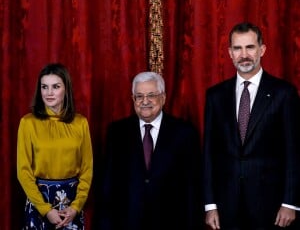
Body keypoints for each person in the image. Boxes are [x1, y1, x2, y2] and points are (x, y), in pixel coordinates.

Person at [203, 22, 300, 230]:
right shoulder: (215, 96)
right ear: (230, 53)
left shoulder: (284, 93)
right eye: (237, 48)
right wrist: (210, 204)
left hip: (271, 207)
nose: (244, 54)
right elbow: (209, 153)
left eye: (250, 47)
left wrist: (290, 202)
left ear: (262, 49)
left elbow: (294, 151)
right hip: (226, 206)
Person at [98, 71, 203, 230]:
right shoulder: (117, 132)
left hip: (172, 222)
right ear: (133, 99)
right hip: (127, 222)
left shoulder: (185, 133)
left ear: (163, 97)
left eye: (151, 95)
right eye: (139, 96)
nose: (144, 101)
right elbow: (108, 187)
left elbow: (192, 189)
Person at [17, 63, 93, 229]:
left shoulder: (80, 123)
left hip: (71, 205)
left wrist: (76, 206)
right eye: (44, 87)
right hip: (39, 201)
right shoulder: (28, 123)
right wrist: (45, 210)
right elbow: (23, 171)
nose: (49, 93)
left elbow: (87, 169)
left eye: (55, 86)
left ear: (66, 89)